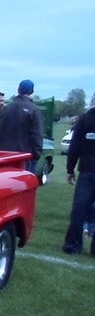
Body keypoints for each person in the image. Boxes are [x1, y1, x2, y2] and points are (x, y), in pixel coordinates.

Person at [62, 106, 95, 255]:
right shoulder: (86, 118)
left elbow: (75, 146)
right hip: (88, 170)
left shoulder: (85, 118)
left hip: (87, 170)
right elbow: (75, 145)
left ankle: (73, 245)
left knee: (79, 209)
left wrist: (70, 169)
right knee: (79, 210)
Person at [0, 79, 43, 172]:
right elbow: (37, 134)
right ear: (32, 91)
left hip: (5, 155)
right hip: (25, 156)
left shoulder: (6, 109)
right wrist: (37, 153)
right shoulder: (34, 109)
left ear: (18, 90)